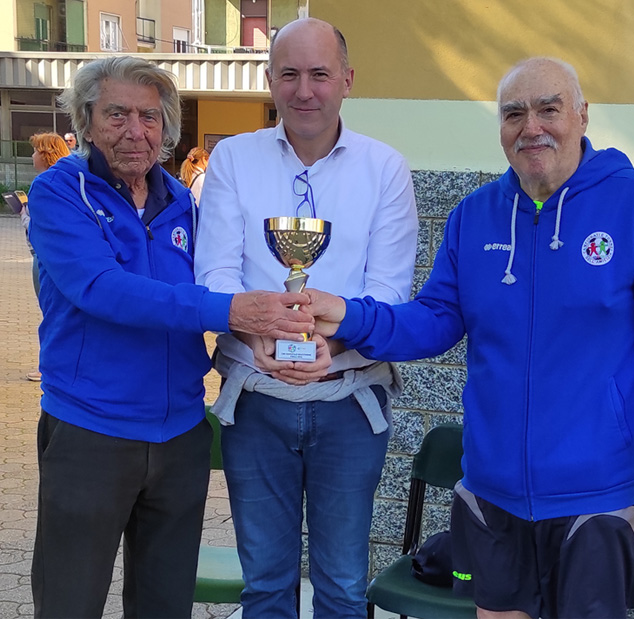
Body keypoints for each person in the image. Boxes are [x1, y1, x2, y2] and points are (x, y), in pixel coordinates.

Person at [306, 57, 634, 619]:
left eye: (549, 109)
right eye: (514, 113)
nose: (532, 127)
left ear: (582, 116)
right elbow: (434, 319)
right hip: (491, 494)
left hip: (594, 497)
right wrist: (348, 318)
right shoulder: (474, 216)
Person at [28, 55, 313, 619]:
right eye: (117, 115)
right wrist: (233, 310)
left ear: (166, 128)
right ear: (86, 121)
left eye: (149, 117)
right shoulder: (60, 193)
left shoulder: (183, 202)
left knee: (165, 606)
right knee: (68, 603)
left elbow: (219, 280)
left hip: (180, 435)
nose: (135, 131)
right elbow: (104, 290)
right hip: (91, 431)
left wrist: (267, 332)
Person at [194, 18, 419, 619]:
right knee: (265, 586)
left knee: (342, 587)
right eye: (289, 74)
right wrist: (257, 334)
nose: (304, 90)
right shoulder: (232, 159)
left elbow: (388, 293)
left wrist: (331, 341)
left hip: (349, 402)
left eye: (320, 74)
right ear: (269, 80)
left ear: (347, 79)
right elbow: (215, 275)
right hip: (256, 400)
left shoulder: (385, 168)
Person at [23, 133, 72, 381]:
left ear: (45, 154)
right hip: (57, 259)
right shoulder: (69, 181)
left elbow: (40, 228)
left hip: (45, 258)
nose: (32, 156)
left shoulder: (45, 184)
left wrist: (25, 217)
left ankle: (49, 367)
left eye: (35, 151)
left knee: (51, 313)